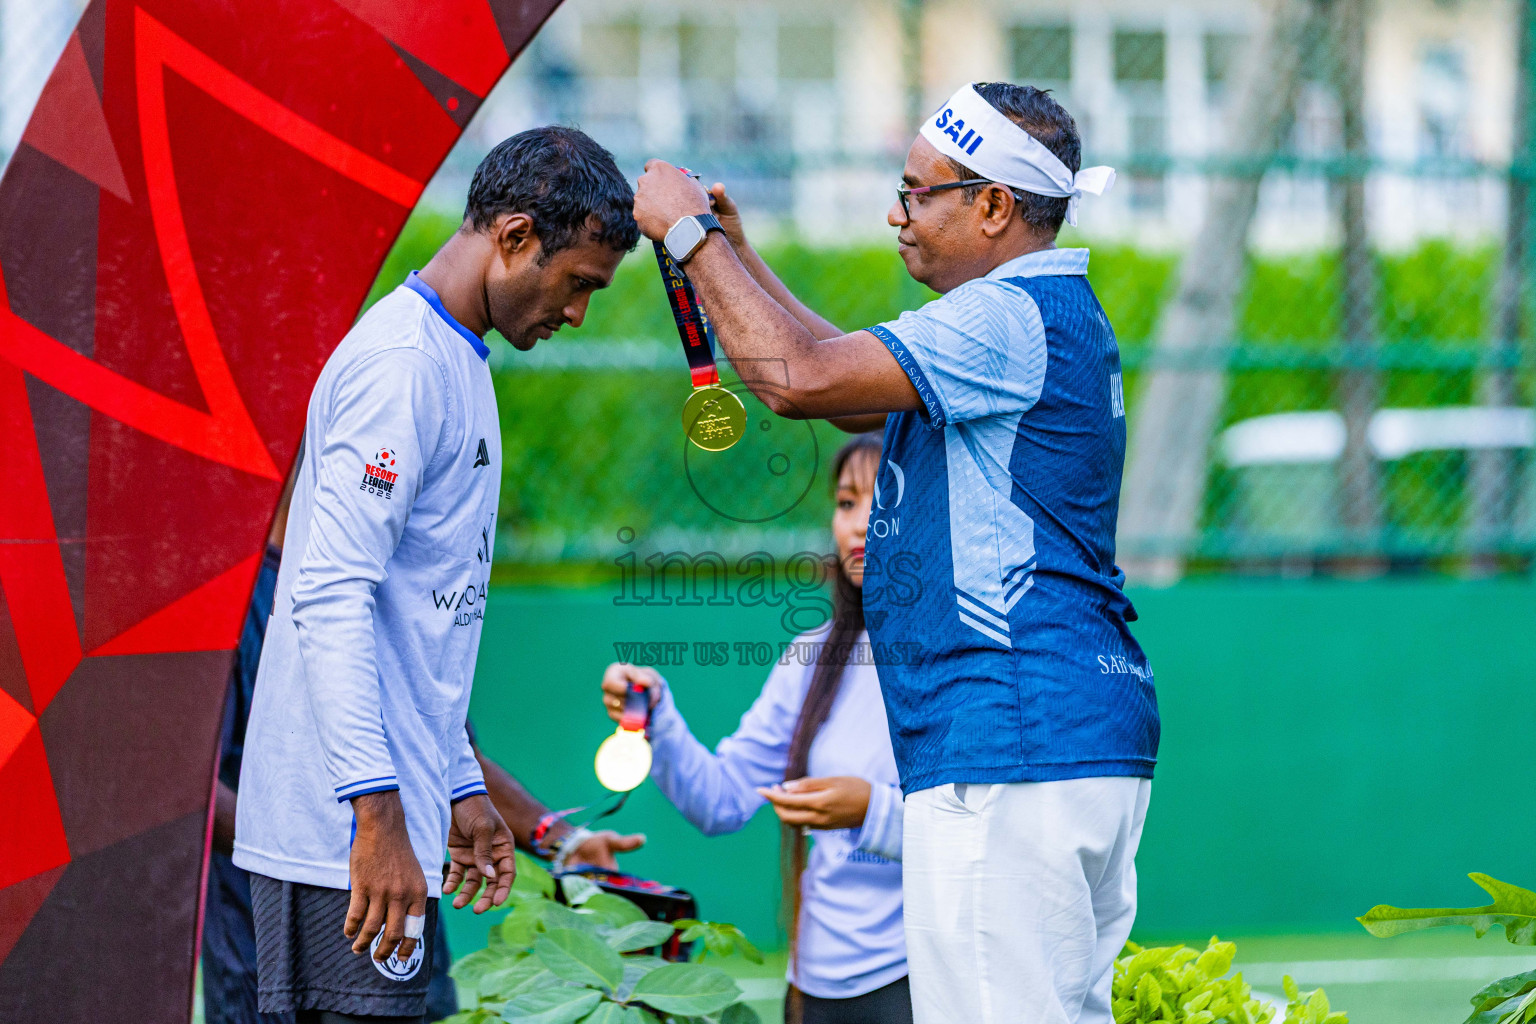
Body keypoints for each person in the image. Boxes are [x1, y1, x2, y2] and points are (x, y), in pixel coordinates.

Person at [630, 83, 1159, 1024]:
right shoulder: (1033, 310)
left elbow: (797, 380)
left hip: (1009, 741)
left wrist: (686, 237)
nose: (896, 213)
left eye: (917, 192)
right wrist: (736, 256)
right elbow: (840, 387)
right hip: (1055, 737)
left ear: (993, 206)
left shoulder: (1006, 316)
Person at [234, 125, 640, 1024]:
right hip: (337, 841)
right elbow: (330, 597)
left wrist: (459, 786)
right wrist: (375, 815)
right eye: (579, 283)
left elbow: (422, 628)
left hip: (379, 824)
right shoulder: (404, 366)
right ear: (514, 236)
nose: (578, 314)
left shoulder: (458, 358)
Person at [204, 479, 644, 1024]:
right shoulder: (230, 602)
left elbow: (444, 751)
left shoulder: (391, 582)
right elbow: (192, 791)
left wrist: (562, 840)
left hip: (403, 949)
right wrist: (359, 843)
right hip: (269, 960)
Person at [600, 433, 910, 1024]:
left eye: (881, 499)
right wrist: (655, 714)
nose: (858, 523)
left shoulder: (965, 656)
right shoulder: (811, 657)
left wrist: (871, 811)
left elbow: (987, 836)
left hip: (917, 973)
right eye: (846, 502)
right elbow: (721, 801)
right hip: (813, 984)